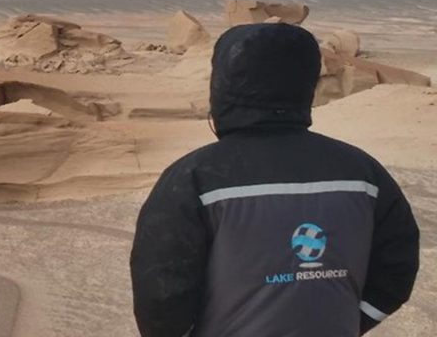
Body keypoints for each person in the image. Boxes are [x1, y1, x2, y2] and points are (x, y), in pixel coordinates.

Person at [130, 23, 419, 336]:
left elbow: (160, 294)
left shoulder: (193, 177)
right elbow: (398, 265)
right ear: (307, 84)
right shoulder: (364, 173)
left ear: (222, 85)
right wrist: (352, 320)